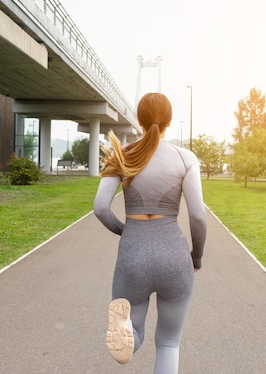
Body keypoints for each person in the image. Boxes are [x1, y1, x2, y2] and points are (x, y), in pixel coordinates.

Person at [93, 92, 207, 374]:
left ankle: (128, 331)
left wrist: (125, 230)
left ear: (139, 120)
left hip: (134, 255)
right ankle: (129, 333)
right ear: (168, 120)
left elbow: (100, 208)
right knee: (169, 342)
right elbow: (197, 215)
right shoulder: (185, 158)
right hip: (174, 258)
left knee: (135, 332)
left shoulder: (121, 155)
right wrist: (197, 257)